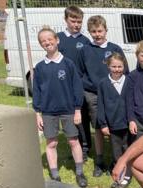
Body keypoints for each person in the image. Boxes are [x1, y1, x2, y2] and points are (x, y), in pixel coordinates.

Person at [32, 26, 87, 188]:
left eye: (50, 39)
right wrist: (37, 113)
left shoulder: (68, 64)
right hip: (48, 112)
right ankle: (55, 176)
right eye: (43, 41)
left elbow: (77, 88)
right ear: (41, 44)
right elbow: (37, 91)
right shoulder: (40, 67)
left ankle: (79, 172)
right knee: (51, 143)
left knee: (73, 141)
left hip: (69, 110)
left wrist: (77, 109)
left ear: (57, 40)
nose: (47, 42)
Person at [77, 15, 128, 177]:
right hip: (93, 94)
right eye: (93, 31)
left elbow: (124, 71)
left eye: (100, 31)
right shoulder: (85, 49)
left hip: (113, 92)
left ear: (106, 30)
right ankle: (99, 161)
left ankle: (118, 158)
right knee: (99, 127)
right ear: (89, 32)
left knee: (115, 125)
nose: (97, 34)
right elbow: (80, 72)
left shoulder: (114, 48)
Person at [56, 6, 91, 161]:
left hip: (80, 87)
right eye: (73, 21)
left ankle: (85, 147)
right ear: (66, 20)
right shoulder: (58, 39)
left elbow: (88, 64)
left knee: (82, 117)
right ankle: (74, 145)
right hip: (64, 87)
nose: (76, 24)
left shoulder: (85, 41)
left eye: (79, 22)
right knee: (68, 118)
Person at [96, 53, 132, 188]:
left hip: (128, 124)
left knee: (128, 149)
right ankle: (119, 175)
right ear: (108, 66)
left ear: (124, 66)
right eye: (113, 66)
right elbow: (101, 105)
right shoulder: (103, 84)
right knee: (117, 151)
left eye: (119, 66)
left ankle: (128, 174)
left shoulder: (129, 81)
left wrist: (132, 120)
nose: (117, 69)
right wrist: (103, 124)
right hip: (113, 124)